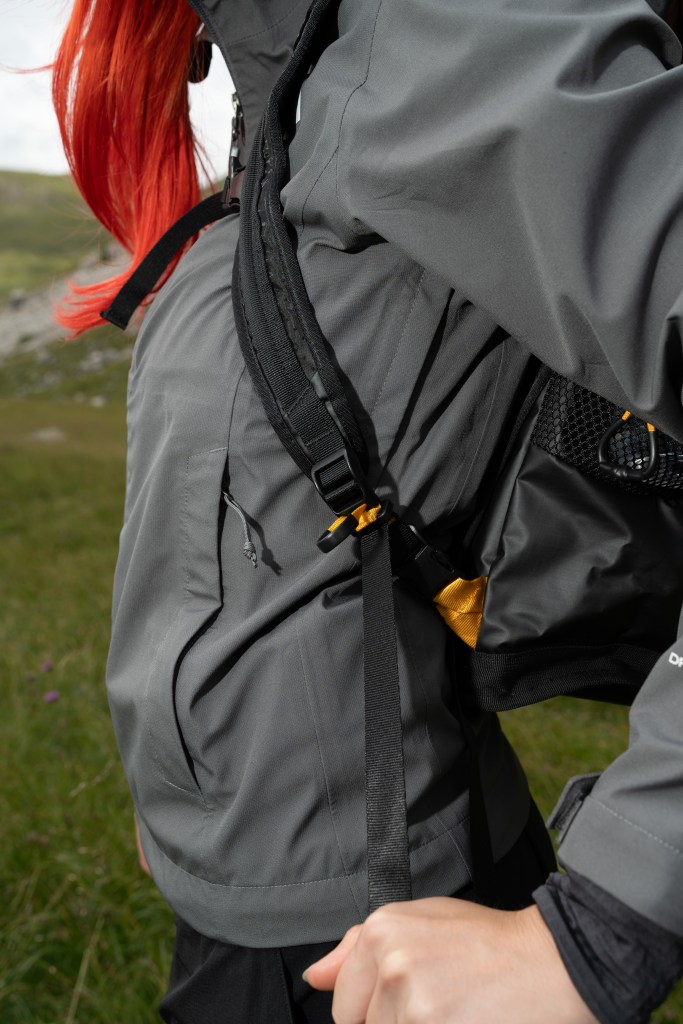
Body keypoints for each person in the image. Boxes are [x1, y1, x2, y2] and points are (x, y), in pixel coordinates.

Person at [52, 0, 683, 1021]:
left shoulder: (449, 29)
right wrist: (180, 784)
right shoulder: (291, 92)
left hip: (379, 924)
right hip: (234, 899)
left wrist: (608, 924)